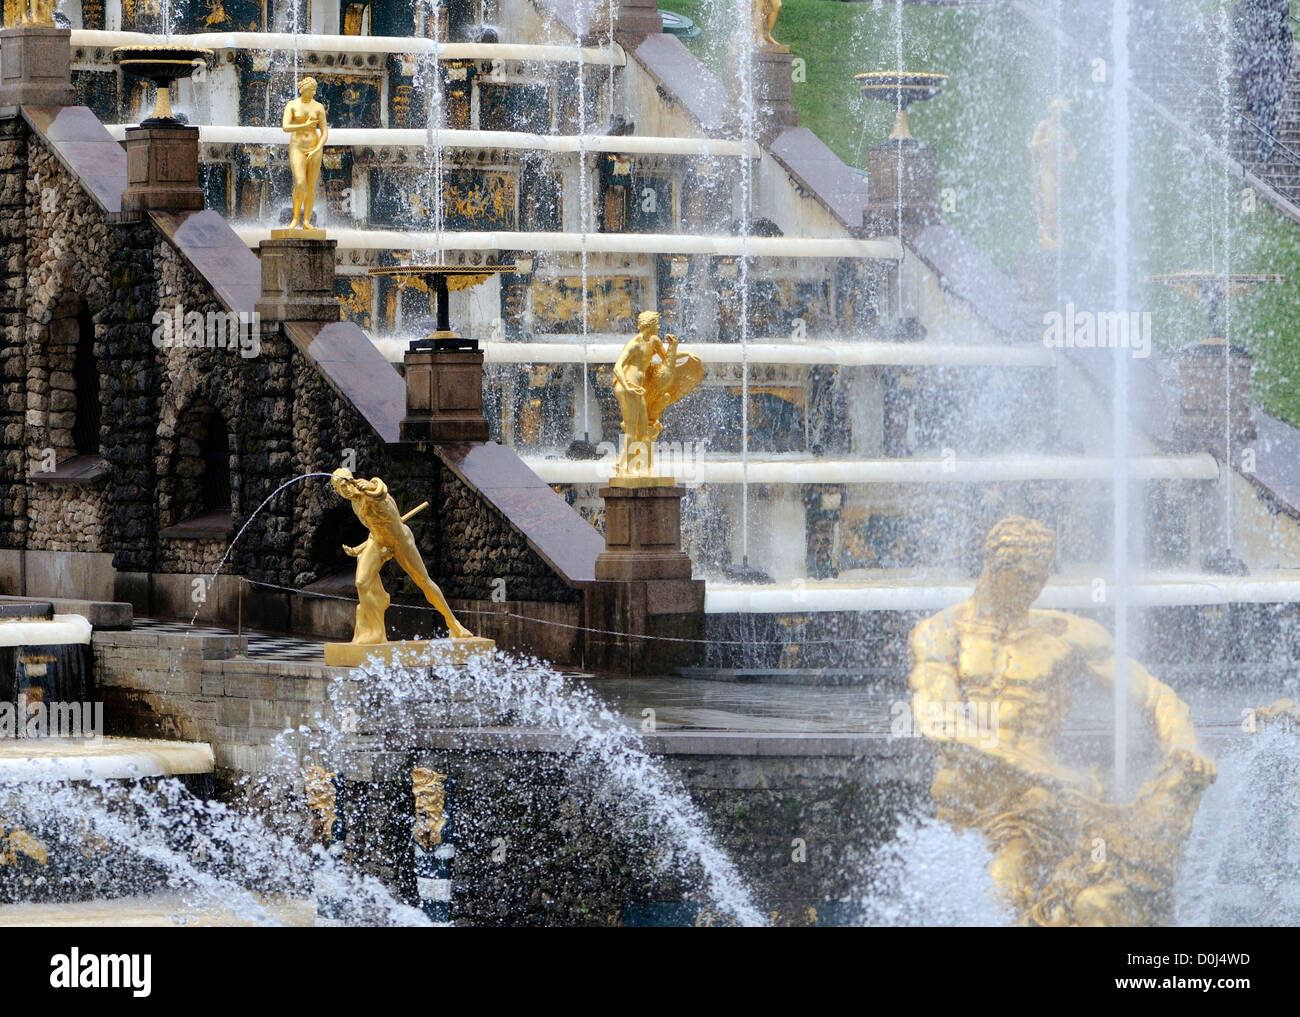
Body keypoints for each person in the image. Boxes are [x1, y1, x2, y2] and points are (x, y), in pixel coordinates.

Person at [908, 516, 1216, 925]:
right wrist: (1043, 769)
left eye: (1040, 579)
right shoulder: (939, 632)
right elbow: (938, 721)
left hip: (1033, 806)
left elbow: (1154, 694)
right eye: (1023, 578)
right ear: (994, 568)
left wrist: (1183, 745)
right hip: (966, 799)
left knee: (1003, 893)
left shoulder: (1065, 633)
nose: (1032, 589)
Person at [330, 468, 472, 642]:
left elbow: (383, 494)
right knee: (361, 582)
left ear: (352, 481)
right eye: (339, 489)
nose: (344, 491)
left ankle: (454, 624)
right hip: (378, 542)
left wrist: (372, 486)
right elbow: (374, 528)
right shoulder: (355, 504)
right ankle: (376, 633)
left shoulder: (370, 493)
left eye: (345, 485)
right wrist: (360, 549)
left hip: (399, 540)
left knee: (424, 582)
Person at [612, 311, 702, 477]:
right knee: (632, 429)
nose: (659, 326)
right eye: (657, 324)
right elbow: (617, 367)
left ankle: (624, 464)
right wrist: (627, 386)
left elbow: (667, 358)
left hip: (638, 388)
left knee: (644, 428)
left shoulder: (654, 341)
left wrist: (683, 352)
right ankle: (626, 468)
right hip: (628, 387)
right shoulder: (633, 344)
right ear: (650, 324)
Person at [282, 77, 328, 231]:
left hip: (314, 148)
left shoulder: (318, 107)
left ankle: (307, 221)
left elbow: (324, 132)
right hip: (297, 147)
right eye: (309, 90)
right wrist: (305, 124)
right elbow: (285, 127)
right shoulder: (292, 105)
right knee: (300, 182)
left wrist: (317, 148)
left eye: (314, 90)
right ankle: (295, 219)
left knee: (310, 186)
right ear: (302, 89)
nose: (312, 93)